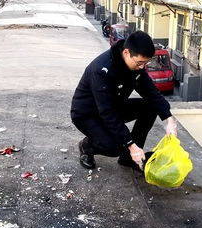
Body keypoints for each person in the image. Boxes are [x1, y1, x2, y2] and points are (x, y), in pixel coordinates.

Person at [71, 31, 177, 171]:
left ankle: (128, 159)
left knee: (150, 107)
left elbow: (150, 92)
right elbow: (107, 113)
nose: (142, 67)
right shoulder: (102, 70)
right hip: (87, 114)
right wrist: (130, 145)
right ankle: (87, 146)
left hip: (113, 106)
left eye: (145, 63)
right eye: (139, 63)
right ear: (126, 52)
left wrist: (169, 119)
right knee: (115, 147)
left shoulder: (136, 65)